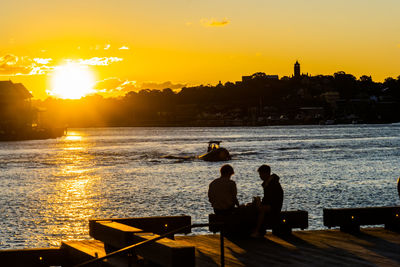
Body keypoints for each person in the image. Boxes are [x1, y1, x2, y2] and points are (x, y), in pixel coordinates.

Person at [251, 164, 283, 237]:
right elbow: (267, 198)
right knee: (255, 207)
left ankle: (257, 230)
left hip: (275, 206)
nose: (260, 176)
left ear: (266, 173)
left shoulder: (272, 184)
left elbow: (271, 199)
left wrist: (261, 204)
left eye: (261, 174)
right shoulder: (269, 183)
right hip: (271, 204)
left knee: (261, 209)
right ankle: (257, 229)